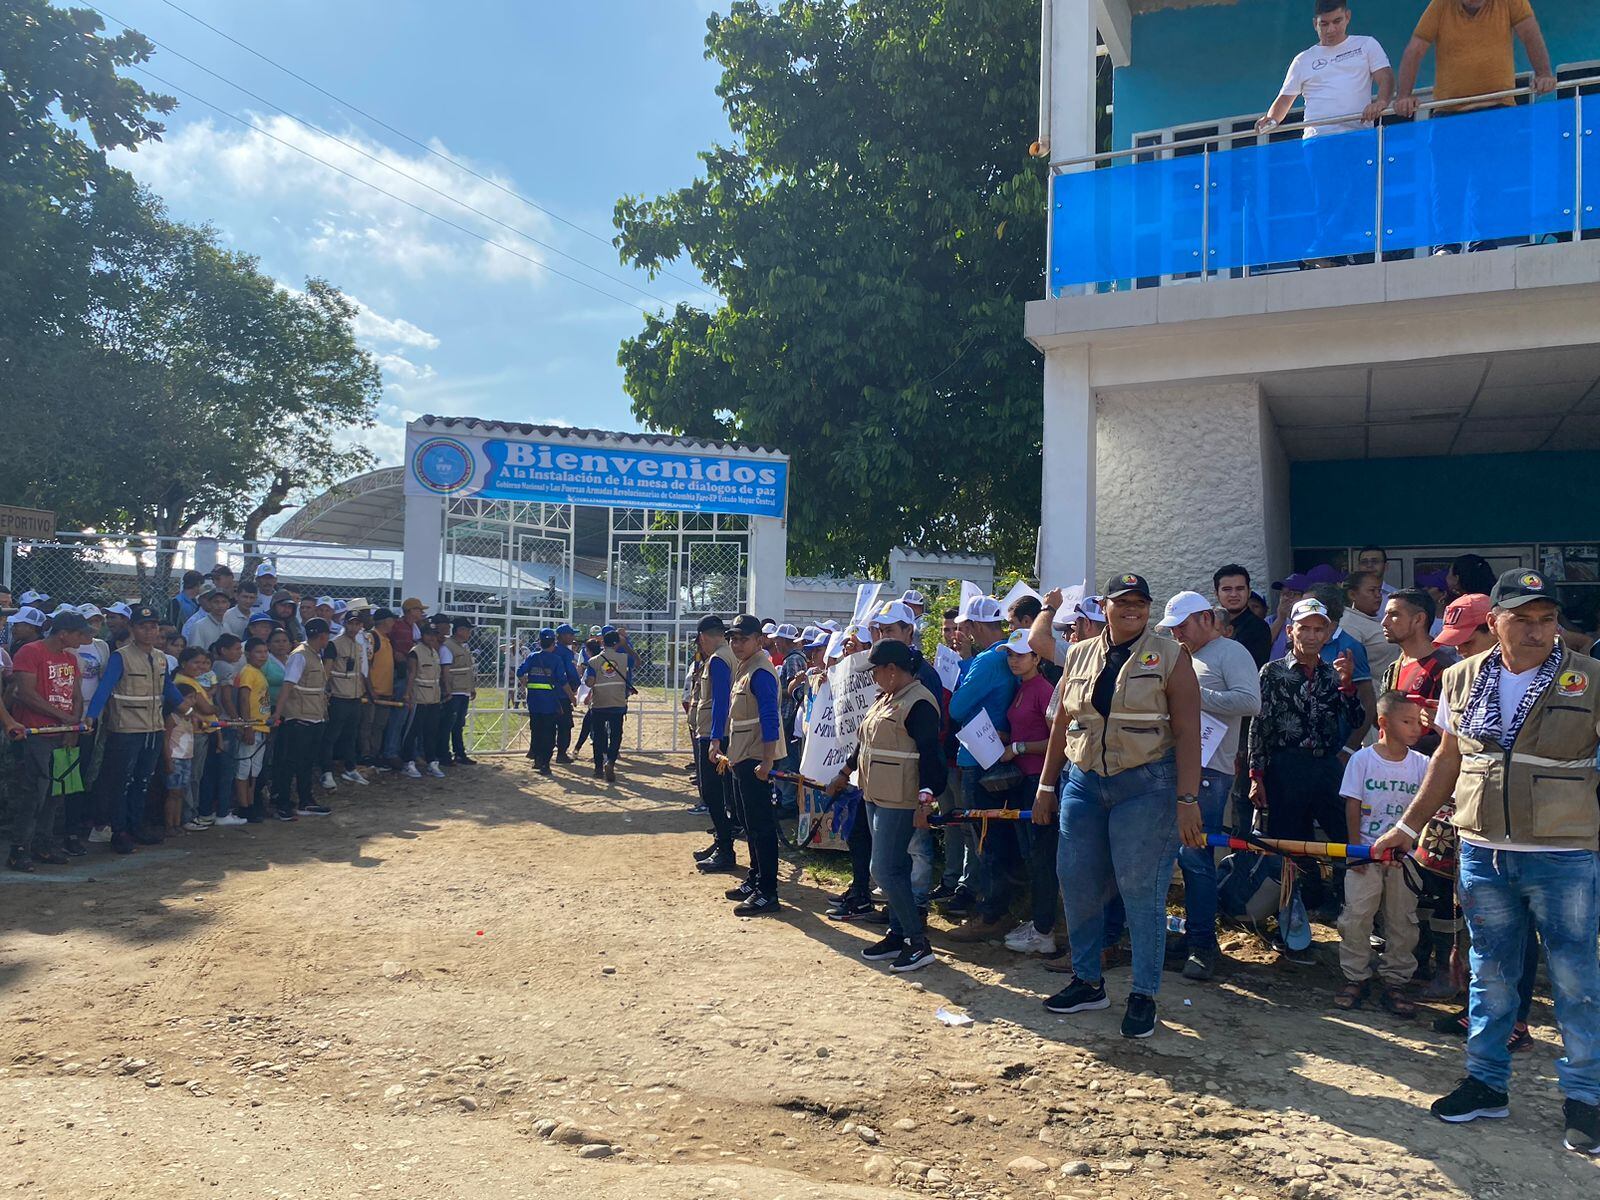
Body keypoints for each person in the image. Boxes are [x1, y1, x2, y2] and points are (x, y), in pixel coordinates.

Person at [1372, 569, 1600, 1155]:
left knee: (1576, 981)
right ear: (1494, 622)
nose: (1536, 630)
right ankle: (1486, 1083)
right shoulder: (1462, 676)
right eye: (1521, 619)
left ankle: (1586, 1100)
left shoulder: (1591, 678)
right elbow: (1448, 759)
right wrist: (1407, 825)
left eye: (1546, 619)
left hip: (1563, 853)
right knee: (1489, 973)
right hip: (1484, 851)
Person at [1034, 573, 1204, 1038]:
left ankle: (1143, 993)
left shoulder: (1171, 656)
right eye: (1123, 601)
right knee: (1077, 880)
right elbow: (1062, 723)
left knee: (1140, 889)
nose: (1133, 608)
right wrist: (1047, 786)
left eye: (1141, 602)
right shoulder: (1082, 653)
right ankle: (1088, 982)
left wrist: (1188, 799)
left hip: (1147, 784)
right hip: (1083, 782)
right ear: (1104, 606)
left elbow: (1189, 732)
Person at [1157, 591, 1262, 981]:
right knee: (1182, 858)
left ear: (1205, 618)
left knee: (1197, 858)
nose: (1178, 633)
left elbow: (1251, 702)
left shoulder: (1229, 653)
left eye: (1182, 626)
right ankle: (1190, 938)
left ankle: (1202, 944)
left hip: (1209, 771)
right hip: (1178, 765)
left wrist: (1195, 694)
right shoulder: (1184, 655)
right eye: (1174, 628)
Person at [1395, 0, 1557, 250]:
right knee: (1446, 184)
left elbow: (1530, 33)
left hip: (1496, 110)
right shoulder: (1441, 5)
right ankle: (1444, 246)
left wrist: (1544, 73)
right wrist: (1404, 94)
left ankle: (1482, 243)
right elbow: (1415, 49)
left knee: (1490, 180)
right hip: (1449, 113)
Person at [827, 638, 945, 972]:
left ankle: (917, 942)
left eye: (876, 670)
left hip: (901, 797)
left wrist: (926, 799)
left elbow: (932, 757)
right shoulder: (887, 698)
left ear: (892, 670)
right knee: (895, 868)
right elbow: (864, 742)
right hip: (875, 793)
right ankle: (898, 932)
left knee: (884, 869)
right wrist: (844, 773)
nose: (873, 676)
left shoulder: (919, 703)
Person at [1249, 597, 1366, 916]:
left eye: (1319, 629)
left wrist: (1348, 687)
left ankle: (1344, 901)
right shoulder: (1272, 672)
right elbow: (1260, 725)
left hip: (1326, 763)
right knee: (1290, 838)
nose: (1312, 636)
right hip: (1286, 764)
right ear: (1290, 632)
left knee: (1342, 832)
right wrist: (1256, 776)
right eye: (1305, 629)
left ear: (1328, 634)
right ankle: (1300, 905)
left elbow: (1357, 720)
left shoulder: (1334, 673)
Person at [1380, 587, 1465, 994]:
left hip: (1442, 791)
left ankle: (1450, 971)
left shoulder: (1446, 665)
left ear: (1419, 619)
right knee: (1414, 876)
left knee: (1442, 879)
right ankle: (1417, 961)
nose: (1385, 621)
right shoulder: (1395, 666)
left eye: (1394, 614)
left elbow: (1452, 739)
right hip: (1403, 788)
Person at [1335, 692, 1429, 1017]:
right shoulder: (1362, 760)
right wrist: (1354, 851)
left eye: (1418, 721)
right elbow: (1352, 805)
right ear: (1384, 724)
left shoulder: (1422, 765)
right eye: (1407, 722)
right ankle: (1355, 976)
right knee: (1356, 916)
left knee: (1403, 920)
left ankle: (1396, 982)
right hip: (1365, 853)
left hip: (1404, 859)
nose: (1415, 728)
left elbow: (1427, 811)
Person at [945, 594, 1019, 943]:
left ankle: (992, 914)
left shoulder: (988, 660)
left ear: (974, 627)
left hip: (978, 757)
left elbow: (958, 707)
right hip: (997, 755)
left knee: (986, 840)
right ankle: (996, 908)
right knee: (994, 837)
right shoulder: (1008, 653)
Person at [85, 605, 184, 853]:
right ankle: (119, 831)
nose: (149, 632)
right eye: (143, 626)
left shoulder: (161, 658)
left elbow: (168, 688)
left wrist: (190, 711)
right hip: (126, 728)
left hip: (153, 728)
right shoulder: (122, 656)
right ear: (132, 628)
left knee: (142, 780)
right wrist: (91, 716)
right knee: (122, 782)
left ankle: (135, 825)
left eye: (154, 627)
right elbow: (105, 688)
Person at [992, 628, 1060, 957]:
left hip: (1039, 783)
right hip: (1023, 780)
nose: (1013, 660)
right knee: (1032, 857)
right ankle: (1039, 923)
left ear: (1037, 657)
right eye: (1010, 654)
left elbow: (1058, 741)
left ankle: (1044, 930)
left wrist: (1017, 747)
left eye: (1020, 654)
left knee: (1042, 858)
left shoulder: (1044, 689)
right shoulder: (1024, 687)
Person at [7, 610, 90, 872]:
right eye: (79, 633)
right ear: (63, 633)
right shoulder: (32, 651)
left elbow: (76, 695)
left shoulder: (70, 658)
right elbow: (25, 694)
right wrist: (64, 718)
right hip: (36, 732)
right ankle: (19, 848)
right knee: (35, 793)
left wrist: (73, 725)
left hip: (60, 732)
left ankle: (43, 843)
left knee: (57, 793)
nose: (83, 638)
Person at [718, 613, 785, 917]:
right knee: (749, 823)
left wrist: (768, 760)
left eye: (743, 638)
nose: (736, 643)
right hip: (741, 755)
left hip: (756, 758)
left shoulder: (760, 671)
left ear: (759, 640)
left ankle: (767, 892)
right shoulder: (746, 668)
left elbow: (771, 717)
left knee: (761, 826)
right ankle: (756, 880)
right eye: (732, 638)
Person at [690, 616, 742, 873]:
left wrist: (714, 740)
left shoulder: (719, 659)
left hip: (714, 735)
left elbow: (721, 701)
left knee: (711, 793)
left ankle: (725, 848)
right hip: (721, 733)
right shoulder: (729, 654)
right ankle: (721, 842)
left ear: (702, 637)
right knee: (721, 793)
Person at [271, 617, 335, 818]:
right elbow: (287, 687)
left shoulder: (314, 655)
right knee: (289, 763)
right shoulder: (300, 656)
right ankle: (283, 804)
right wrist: (278, 714)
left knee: (306, 762)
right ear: (323, 636)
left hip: (314, 717)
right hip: (298, 718)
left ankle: (305, 800)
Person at [516, 629, 574, 774]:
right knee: (548, 732)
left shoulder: (532, 657)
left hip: (534, 701)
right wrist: (571, 696)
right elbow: (563, 681)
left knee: (536, 730)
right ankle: (545, 764)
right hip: (549, 701)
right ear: (554, 643)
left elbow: (520, 672)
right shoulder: (556, 660)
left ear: (539, 643)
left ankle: (537, 759)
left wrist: (526, 683)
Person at [323, 614, 368, 789]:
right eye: (351, 623)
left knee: (351, 735)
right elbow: (327, 670)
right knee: (332, 736)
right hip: (338, 696)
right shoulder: (334, 644)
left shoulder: (357, 646)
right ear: (344, 624)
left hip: (355, 696)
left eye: (357, 624)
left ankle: (350, 768)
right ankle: (326, 772)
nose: (354, 627)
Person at [400, 622, 449, 780]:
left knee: (431, 731)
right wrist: (407, 694)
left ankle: (431, 762)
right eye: (428, 634)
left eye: (434, 634)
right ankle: (408, 762)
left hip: (433, 697)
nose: (431, 637)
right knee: (412, 731)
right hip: (419, 696)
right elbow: (412, 674)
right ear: (422, 635)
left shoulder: (434, 652)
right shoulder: (415, 652)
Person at [583, 629, 633, 783]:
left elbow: (589, 682)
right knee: (616, 734)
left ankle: (598, 768)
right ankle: (610, 761)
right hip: (617, 702)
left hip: (599, 703)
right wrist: (627, 646)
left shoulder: (594, 661)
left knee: (598, 736)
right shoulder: (624, 658)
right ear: (617, 643)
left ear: (602, 643)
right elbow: (637, 662)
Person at [233, 636, 272, 822]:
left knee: (254, 769)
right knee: (244, 767)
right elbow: (243, 698)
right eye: (258, 652)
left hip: (262, 726)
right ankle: (243, 806)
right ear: (248, 654)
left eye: (265, 652)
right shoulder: (248, 672)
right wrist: (247, 725)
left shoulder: (259, 672)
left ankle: (251, 803)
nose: (263, 656)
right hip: (253, 726)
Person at [1343, 570, 1399, 682]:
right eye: (1372, 590)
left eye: (1379, 590)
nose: (1378, 595)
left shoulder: (1377, 619)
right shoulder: (1348, 623)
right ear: (1352, 594)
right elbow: (1353, 670)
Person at [1215, 565, 1273, 669]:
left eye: (1239, 589)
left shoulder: (1258, 628)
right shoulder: (1208, 626)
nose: (1233, 594)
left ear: (1249, 592)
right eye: (1227, 589)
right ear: (1216, 594)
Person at [443, 617, 478, 766]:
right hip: (454, 691)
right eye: (467, 630)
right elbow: (446, 671)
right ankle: (445, 753)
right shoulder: (447, 646)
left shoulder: (463, 646)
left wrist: (471, 688)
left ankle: (459, 753)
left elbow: (467, 669)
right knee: (448, 724)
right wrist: (448, 690)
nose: (469, 633)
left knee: (458, 724)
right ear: (459, 630)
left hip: (463, 690)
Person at [552, 624, 581, 764]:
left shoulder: (550, 650)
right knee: (564, 725)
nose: (573, 637)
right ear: (563, 636)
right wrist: (575, 686)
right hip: (563, 693)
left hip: (548, 693)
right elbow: (572, 673)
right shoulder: (565, 653)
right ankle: (561, 754)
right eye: (571, 634)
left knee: (548, 724)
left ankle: (539, 753)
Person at [182, 585, 230, 651]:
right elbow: (195, 652)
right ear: (210, 604)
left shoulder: (227, 626)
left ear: (228, 605)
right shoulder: (199, 626)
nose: (220, 606)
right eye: (216, 602)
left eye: (224, 602)